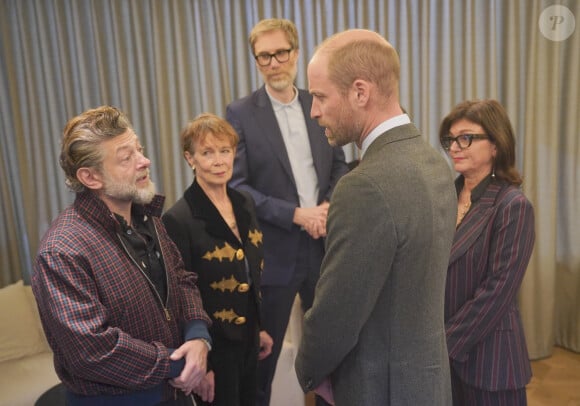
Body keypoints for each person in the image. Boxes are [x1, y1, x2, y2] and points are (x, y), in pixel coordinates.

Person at [294, 29, 457, 405]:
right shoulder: (434, 162)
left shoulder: (364, 185)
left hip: (378, 388)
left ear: (360, 92)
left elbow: (337, 311)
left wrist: (307, 370)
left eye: (320, 97)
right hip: (425, 382)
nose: (314, 110)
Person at [31, 105, 212, 406]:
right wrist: (180, 363)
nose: (145, 161)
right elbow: (92, 350)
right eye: (127, 158)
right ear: (90, 177)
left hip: (175, 393)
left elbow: (182, 280)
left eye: (139, 149)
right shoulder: (61, 250)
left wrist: (197, 335)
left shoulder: (148, 219)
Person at [225, 18, 349, 406]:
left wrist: (328, 206)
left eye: (281, 53)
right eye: (265, 56)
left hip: (325, 245)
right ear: (256, 61)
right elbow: (237, 186)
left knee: (331, 350)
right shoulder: (241, 113)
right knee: (264, 356)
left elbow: (339, 163)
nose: (274, 62)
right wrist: (297, 215)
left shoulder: (320, 102)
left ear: (295, 53)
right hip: (275, 253)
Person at [162, 113, 273, 406]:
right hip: (214, 348)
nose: (219, 160)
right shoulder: (178, 218)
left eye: (225, 151)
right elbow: (181, 296)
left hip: (248, 338)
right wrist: (204, 366)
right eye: (207, 153)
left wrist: (258, 327)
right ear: (190, 159)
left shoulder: (244, 202)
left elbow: (249, 273)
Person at [439, 99, 535, 405]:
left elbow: (497, 292)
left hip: (491, 362)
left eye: (466, 137)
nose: (455, 146)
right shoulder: (443, 197)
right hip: (444, 362)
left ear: (495, 145)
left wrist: (443, 343)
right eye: (450, 139)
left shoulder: (512, 206)